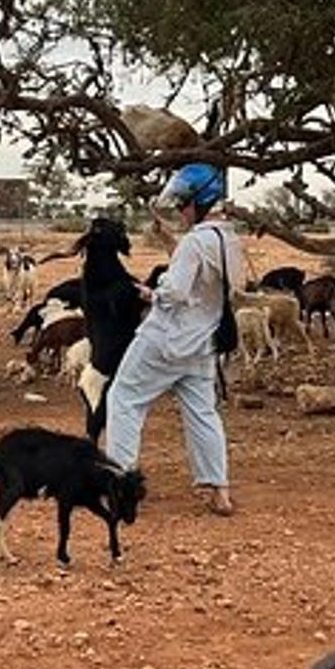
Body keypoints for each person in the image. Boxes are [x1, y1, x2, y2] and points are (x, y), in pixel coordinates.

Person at [104, 163, 248, 516]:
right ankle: (219, 490)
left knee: (124, 398)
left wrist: (151, 292)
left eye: (184, 204)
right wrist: (170, 243)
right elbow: (216, 284)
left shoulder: (195, 242)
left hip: (165, 339)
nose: (181, 211)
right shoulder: (229, 240)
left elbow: (177, 291)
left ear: (199, 202)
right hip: (202, 344)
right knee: (203, 412)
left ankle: (121, 487)